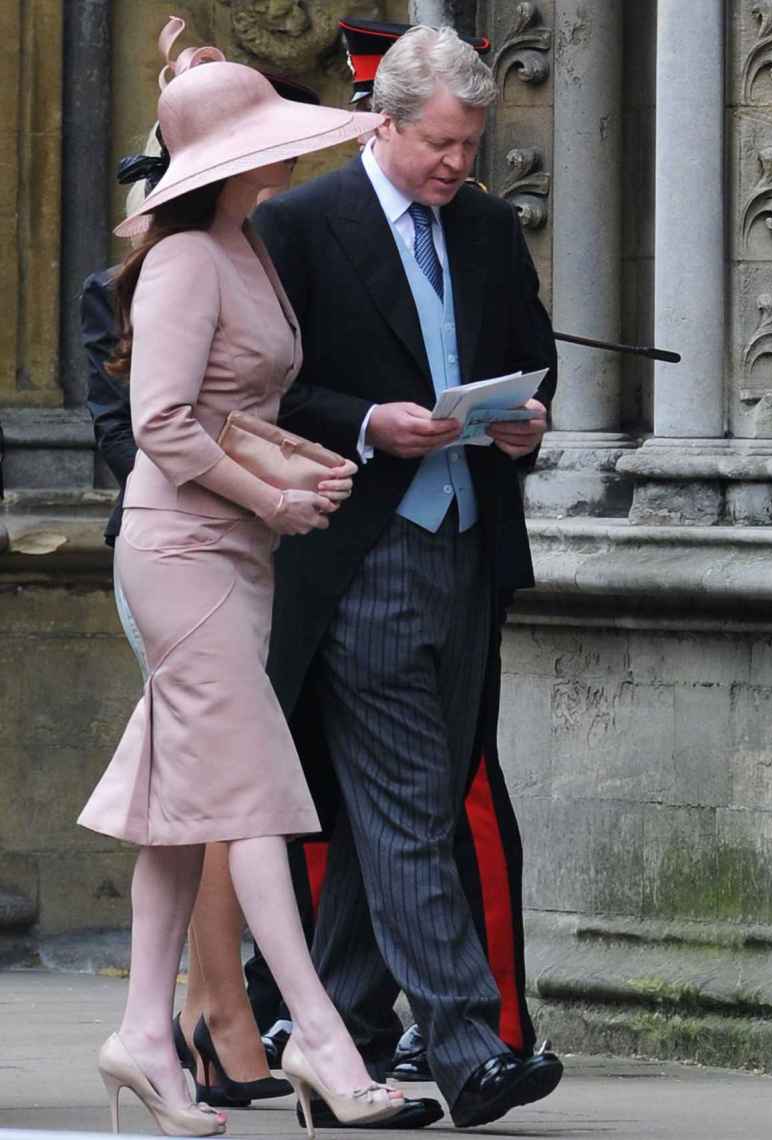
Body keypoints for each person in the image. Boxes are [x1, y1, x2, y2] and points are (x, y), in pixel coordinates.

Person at [77, 43, 407, 1138]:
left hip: (228, 554)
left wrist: (293, 468)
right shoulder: (184, 260)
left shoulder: (240, 244)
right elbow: (164, 427)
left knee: (182, 814)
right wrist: (268, 497)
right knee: (251, 794)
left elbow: (227, 411)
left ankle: (139, 1033)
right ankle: (319, 1036)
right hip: (183, 558)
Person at [253, 24, 563, 1130]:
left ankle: (335, 1035)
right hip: (361, 545)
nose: (458, 166)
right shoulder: (299, 224)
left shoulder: (481, 223)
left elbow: (533, 348)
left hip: (471, 539)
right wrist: (372, 425)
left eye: (472, 146)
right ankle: (471, 1045)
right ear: (383, 121)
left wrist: (526, 422)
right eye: (440, 143)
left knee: (410, 801)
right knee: (401, 801)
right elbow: (265, 390)